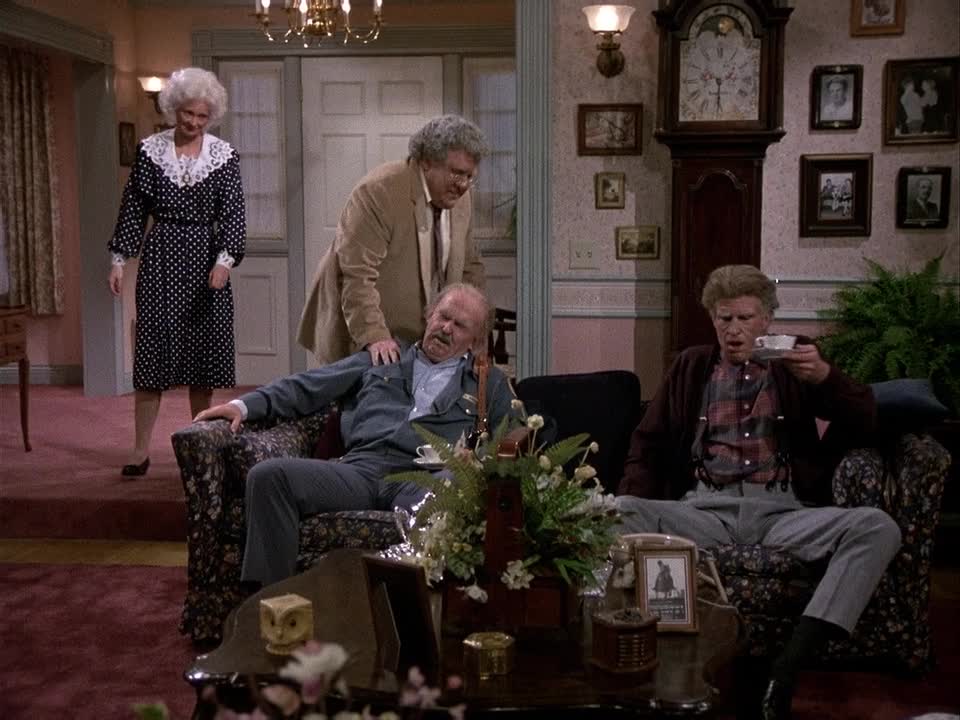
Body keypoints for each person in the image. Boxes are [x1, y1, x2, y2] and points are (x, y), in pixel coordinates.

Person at [615, 265, 901, 720]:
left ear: (766, 319)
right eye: (724, 319)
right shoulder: (692, 366)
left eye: (745, 318)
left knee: (878, 527)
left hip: (781, 512)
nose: (734, 330)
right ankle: (633, 652)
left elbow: (865, 417)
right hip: (704, 511)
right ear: (712, 319)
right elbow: (646, 444)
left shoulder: (792, 364)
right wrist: (637, 501)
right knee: (615, 511)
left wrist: (824, 377)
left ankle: (788, 666)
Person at [196, 283, 517, 587]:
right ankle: (275, 605)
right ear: (429, 315)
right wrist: (242, 406)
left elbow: (518, 435)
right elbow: (307, 386)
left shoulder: (487, 383)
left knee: (451, 488)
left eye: (459, 326)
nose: (446, 328)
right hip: (361, 469)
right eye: (443, 317)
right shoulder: (382, 358)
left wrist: (477, 461)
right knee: (269, 476)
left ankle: (423, 611)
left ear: (475, 341)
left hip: (424, 478)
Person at [108, 67, 245, 477]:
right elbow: (133, 209)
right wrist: (119, 260)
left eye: (202, 116)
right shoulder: (150, 151)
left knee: (202, 362)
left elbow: (234, 215)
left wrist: (224, 261)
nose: (194, 122)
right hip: (161, 260)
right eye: (188, 113)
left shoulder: (224, 156)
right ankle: (139, 451)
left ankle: (199, 449)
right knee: (152, 356)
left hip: (206, 262)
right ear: (173, 109)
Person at [297, 114, 489, 367]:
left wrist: (476, 335)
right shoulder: (379, 191)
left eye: (470, 177)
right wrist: (374, 336)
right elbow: (357, 275)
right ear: (427, 162)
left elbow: (469, 269)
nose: (463, 185)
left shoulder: (461, 198)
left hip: (418, 340)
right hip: (359, 330)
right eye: (456, 173)